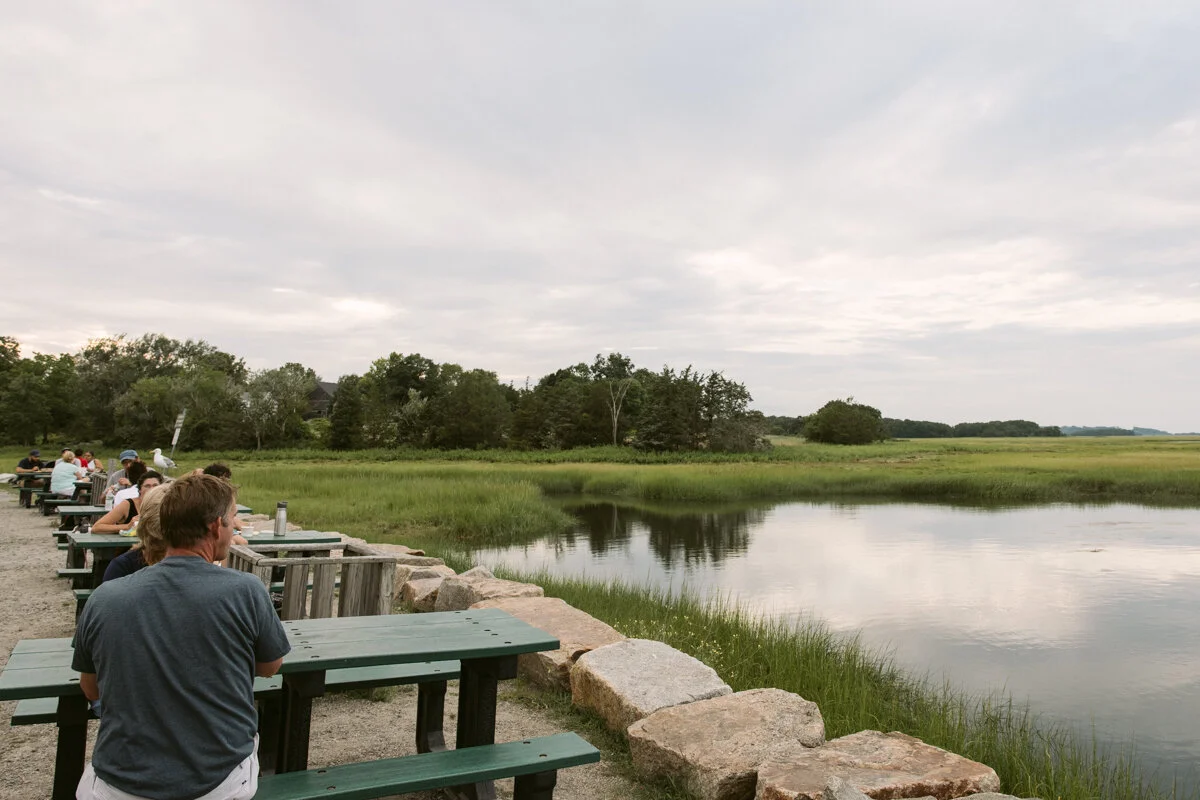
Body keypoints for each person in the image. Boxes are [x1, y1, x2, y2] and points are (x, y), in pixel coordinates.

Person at [73, 473, 291, 800]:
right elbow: (270, 666)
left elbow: (90, 687)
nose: (233, 532)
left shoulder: (104, 597)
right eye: (232, 523)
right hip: (219, 781)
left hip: (118, 782)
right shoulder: (246, 590)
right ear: (216, 527)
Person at [92, 470, 162, 534]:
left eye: (155, 485)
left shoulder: (166, 505)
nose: (152, 489)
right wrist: (127, 526)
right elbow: (96, 527)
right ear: (140, 489)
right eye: (147, 486)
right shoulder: (127, 504)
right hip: (129, 546)